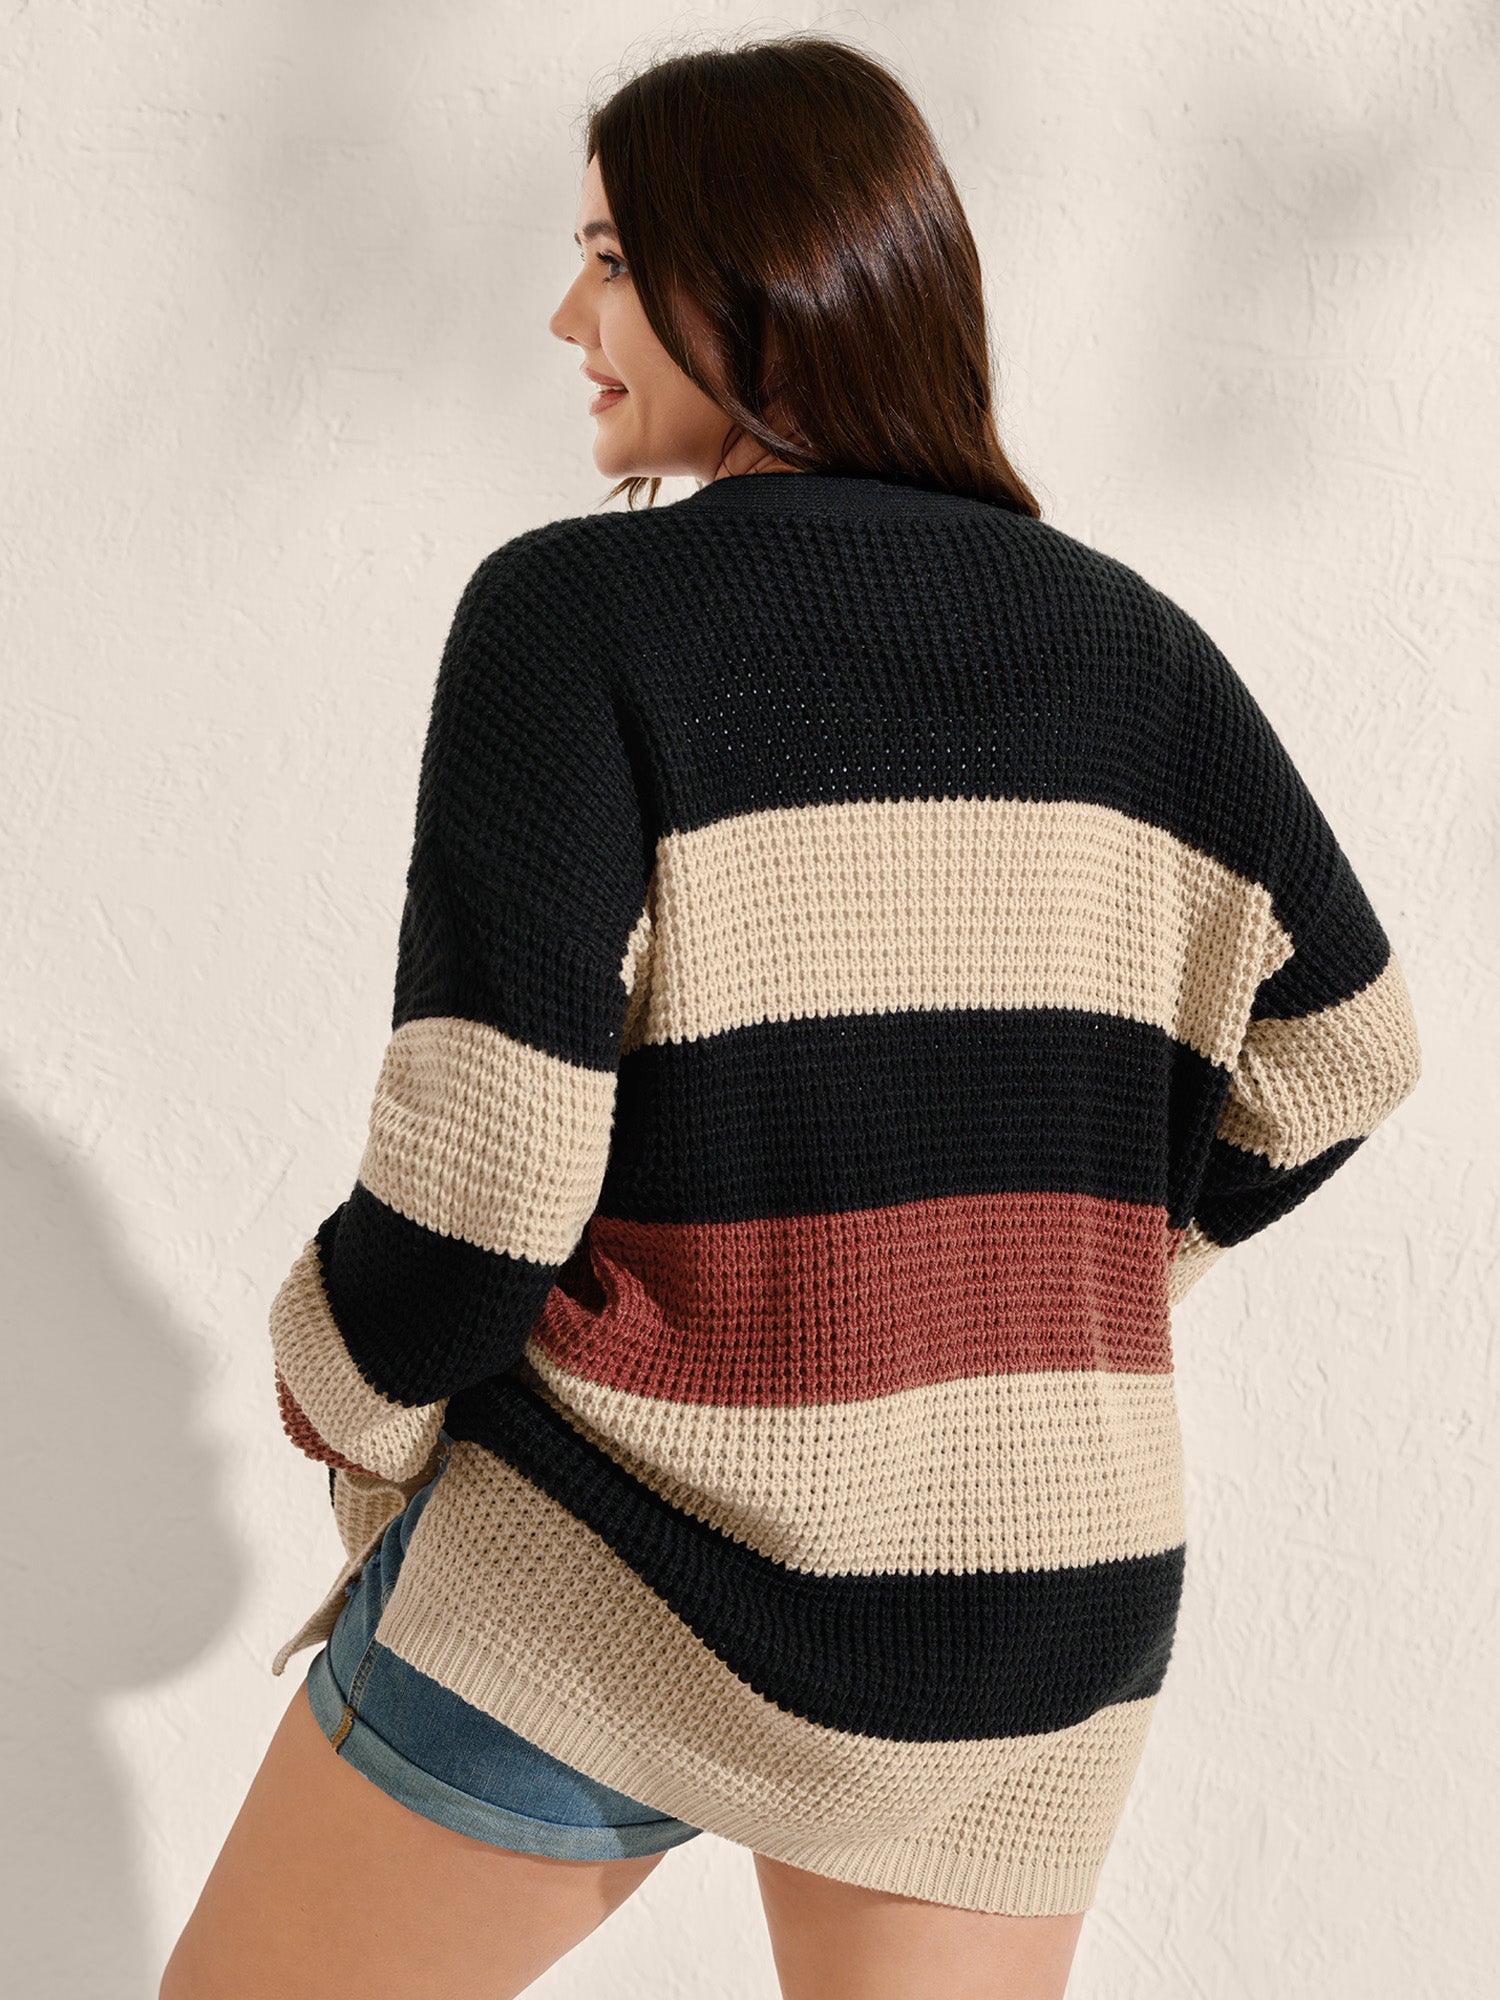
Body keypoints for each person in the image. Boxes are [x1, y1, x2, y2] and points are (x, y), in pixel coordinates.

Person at [159, 32, 1422, 2000]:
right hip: (1016, 1609)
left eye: (609, 259)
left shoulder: (577, 616)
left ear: (751, 283)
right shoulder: (1138, 651)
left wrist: (338, 1379)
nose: (566, 317)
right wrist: (1059, 1272)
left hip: (613, 1574)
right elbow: (1350, 1050)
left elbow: (488, 1178)